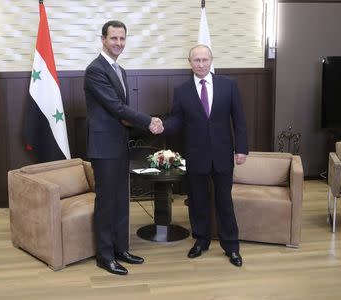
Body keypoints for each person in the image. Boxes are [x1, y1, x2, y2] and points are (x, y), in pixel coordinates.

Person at [84, 20, 163, 275]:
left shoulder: (121, 70)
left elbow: (122, 114)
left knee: (121, 201)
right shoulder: (95, 70)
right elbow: (116, 108)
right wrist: (149, 121)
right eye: (114, 38)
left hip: (119, 145)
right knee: (107, 202)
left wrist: (142, 122)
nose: (119, 43)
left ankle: (121, 248)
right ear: (103, 40)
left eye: (122, 38)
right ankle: (104, 256)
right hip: (104, 147)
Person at [160, 44, 248, 267]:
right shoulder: (181, 91)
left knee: (224, 201)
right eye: (196, 60)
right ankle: (201, 240)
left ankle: (232, 246)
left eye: (204, 60)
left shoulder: (228, 85)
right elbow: (177, 120)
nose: (201, 64)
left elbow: (239, 120)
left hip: (222, 154)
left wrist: (242, 149)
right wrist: (161, 125)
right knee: (198, 202)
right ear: (190, 63)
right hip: (196, 155)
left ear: (211, 60)